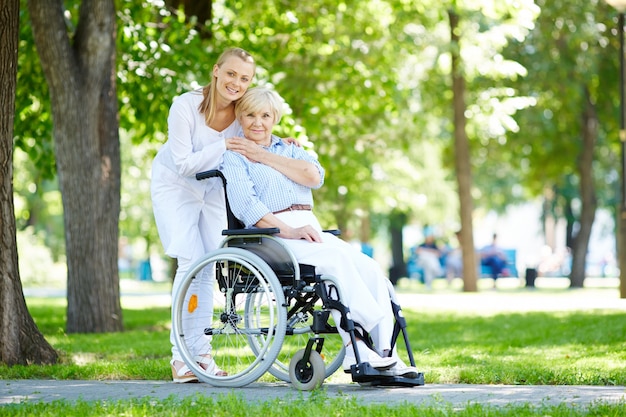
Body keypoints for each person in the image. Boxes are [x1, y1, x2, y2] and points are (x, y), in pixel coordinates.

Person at [221, 86, 418, 377]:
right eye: (250, 114)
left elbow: (313, 177)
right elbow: (245, 205)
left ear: (275, 118)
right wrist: (288, 230)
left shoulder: (290, 148)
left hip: (309, 227)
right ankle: (358, 348)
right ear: (240, 115)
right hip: (274, 234)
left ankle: (386, 352)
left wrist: (263, 156)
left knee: (370, 267)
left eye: (265, 115)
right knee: (335, 263)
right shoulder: (235, 156)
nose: (257, 122)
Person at [151, 48, 299, 383]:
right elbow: (184, 164)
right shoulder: (185, 106)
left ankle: (200, 355)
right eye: (231, 74)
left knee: (209, 266)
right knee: (190, 262)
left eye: (244, 78)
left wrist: (280, 144)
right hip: (176, 186)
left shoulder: (241, 113)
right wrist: (224, 147)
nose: (236, 83)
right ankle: (180, 359)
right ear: (216, 71)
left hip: (213, 188)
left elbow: (258, 132)